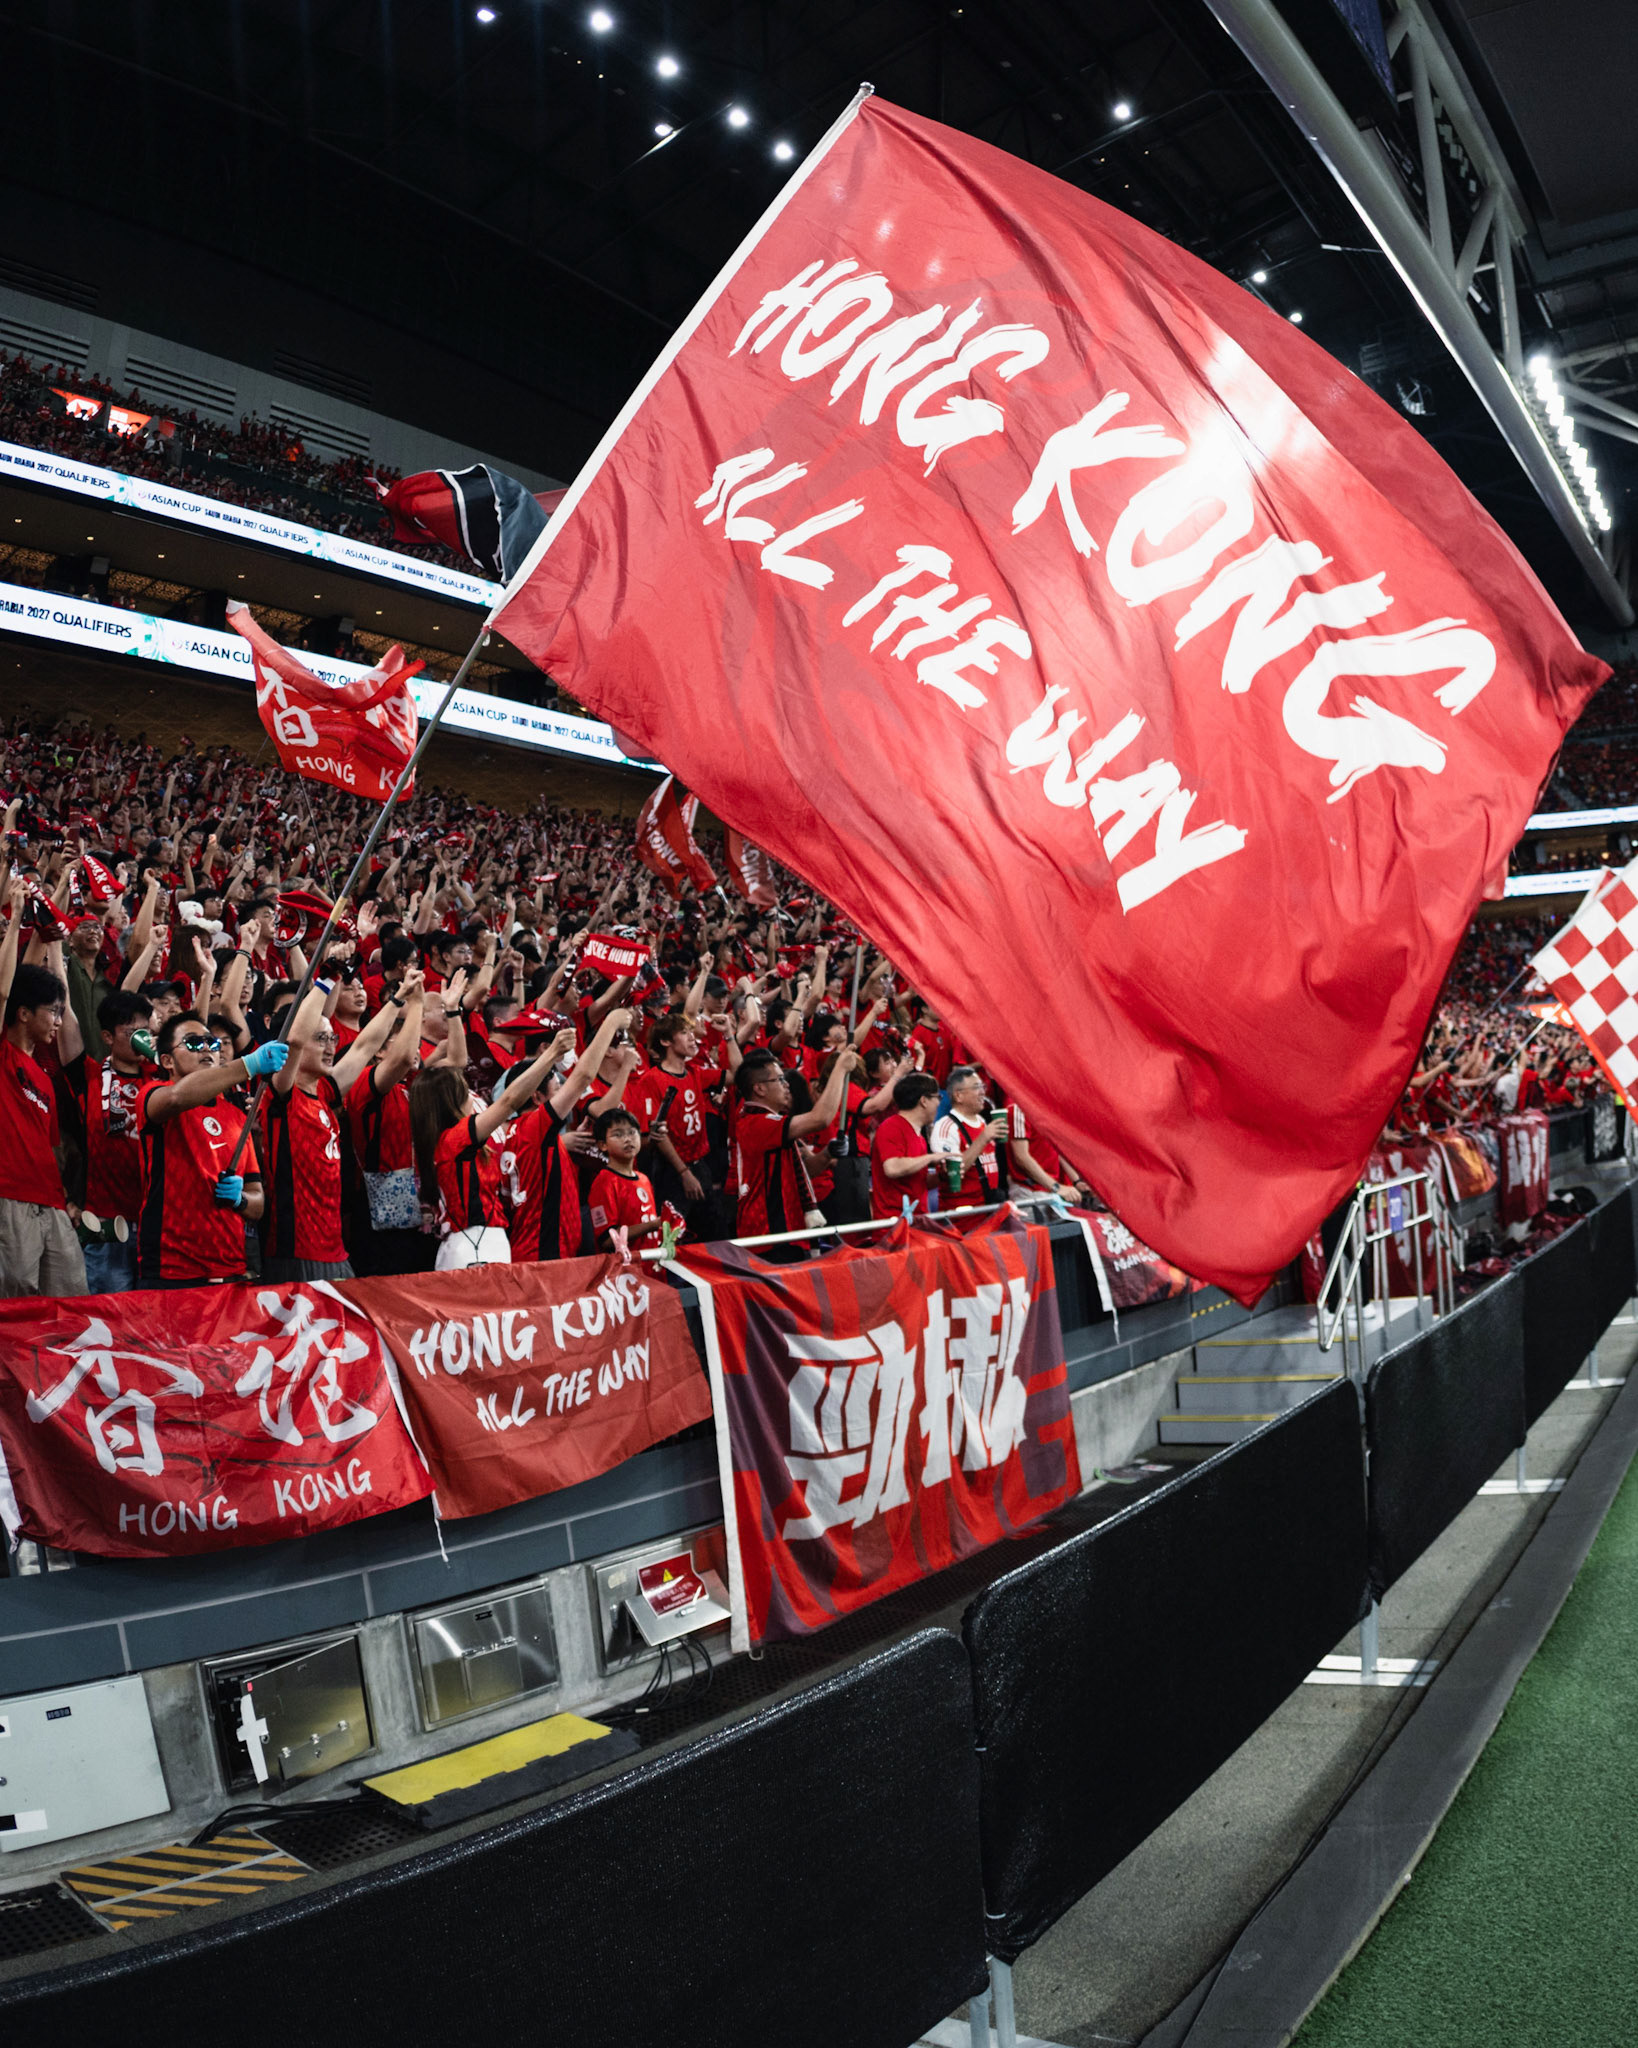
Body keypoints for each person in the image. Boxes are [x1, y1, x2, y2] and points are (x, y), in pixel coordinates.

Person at [258, 972, 420, 1284]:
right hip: (296, 1253)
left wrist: (399, 998)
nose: (331, 1046)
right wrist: (325, 980)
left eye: (332, 1038)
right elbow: (292, 1039)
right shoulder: (281, 1095)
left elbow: (364, 1047)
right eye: (320, 1038)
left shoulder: (324, 1092)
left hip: (335, 1250)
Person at [133, 1015, 290, 1287]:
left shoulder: (238, 1116)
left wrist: (239, 1199)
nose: (207, 1048)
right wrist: (250, 1063)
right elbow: (177, 1097)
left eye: (213, 1043)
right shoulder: (153, 1094)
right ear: (168, 1061)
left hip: (231, 1269)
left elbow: (257, 1204)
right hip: (172, 1271)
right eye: (193, 1043)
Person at [408, 1029, 583, 1270]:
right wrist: (551, 1055)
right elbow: (509, 1101)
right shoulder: (455, 1139)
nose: (472, 1094)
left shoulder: (435, 1142)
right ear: (452, 1099)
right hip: (477, 1244)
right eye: (465, 1089)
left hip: (462, 1244)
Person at [0, 883, 86, 1296]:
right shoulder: (2, 1054)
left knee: (71, 1306)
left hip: (51, 1204)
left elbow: (53, 1150)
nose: (58, 1021)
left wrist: (66, 1197)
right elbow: (6, 989)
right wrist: (17, 918)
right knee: (15, 1309)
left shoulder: (43, 1079)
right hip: (8, 1199)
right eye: (52, 1011)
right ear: (21, 1014)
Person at [506, 1008, 636, 1264]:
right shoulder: (534, 1126)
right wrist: (610, 1023)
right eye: (558, 1087)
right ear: (537, 1097)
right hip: (544, 1255)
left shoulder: (518, 1130)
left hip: (542, 1249)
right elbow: (583, 1077)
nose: (565, 1091)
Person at [60, 988, 156, 1292]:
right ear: (107, 1037)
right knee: (108, 1316)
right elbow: (66, 1020)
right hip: (104, 1222)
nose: (141, 1038)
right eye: (131, 1032)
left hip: (154, 1220)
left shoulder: (163, 1081)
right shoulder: (89, 1076)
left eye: (146, 1031)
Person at [344, 969, 428, 1273]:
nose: (415, 1047)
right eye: (404, 1039)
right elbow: (404, 1057)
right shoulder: (365, 1084)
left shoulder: (409, 1089)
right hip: (378, 1213)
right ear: (379, 1051)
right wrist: (416, 1003)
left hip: (418, 1210)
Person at [732, 1044, 861, 1236]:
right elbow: (821, 1117)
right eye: (780, 1079)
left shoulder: (772, 1123)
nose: (787, 1085)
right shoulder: (756, 1123)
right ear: (759, 1089)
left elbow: (805, 1170)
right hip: (768, 1229)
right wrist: (840, 1069)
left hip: (788, 1225)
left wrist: (827, 1154)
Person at [870, 1072, 1007, 1221]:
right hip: (895, 1228)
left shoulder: (919, 1136)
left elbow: (921, 1182)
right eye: (937, 1097)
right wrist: (931, 1157)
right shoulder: (891, 1127)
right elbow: (892, 1168)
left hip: (917, 1222)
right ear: (924, 1101)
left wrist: (942, 1176)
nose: (939, 1103)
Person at [929, 1066, 1010, 1208]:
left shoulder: (982, 1122)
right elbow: (952, 1172)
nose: (982, 1092)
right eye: (976, 1087)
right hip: (963, 1217)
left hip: (989, 1209)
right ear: (958, 1095)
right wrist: (983, 1138)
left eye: (982, 1087)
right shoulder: (946, 1126)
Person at [586, 1106, 662, 1249]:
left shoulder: (643, 1179)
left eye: (632, 1132)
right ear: (602, 1145)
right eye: (618, 1135)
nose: (628, 1139)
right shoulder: (604, 1182)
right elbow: (607, 1239)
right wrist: (653, 1225)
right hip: (625, 1267)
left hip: (651, 1265)